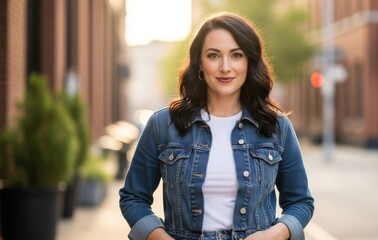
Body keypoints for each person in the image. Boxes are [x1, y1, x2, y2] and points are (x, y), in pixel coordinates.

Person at [119, 12, 314, 240]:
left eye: (236, 55)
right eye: (213, 55)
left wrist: (275, 235)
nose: (225, 67)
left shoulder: (277, 127)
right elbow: (133, 197)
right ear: (199, 63)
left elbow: (300, 202)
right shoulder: (162, 125)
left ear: (249, 62)